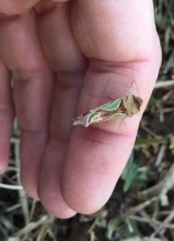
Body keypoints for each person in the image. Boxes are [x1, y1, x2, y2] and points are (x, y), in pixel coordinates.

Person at [0, 0, 161, 218]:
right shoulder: (125, 103)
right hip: (107, 109)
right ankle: (84, 119)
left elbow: (122, 109)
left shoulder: (125, 107)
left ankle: (84, 119)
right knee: (93, 117)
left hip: (108, 110)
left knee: (94, 118)